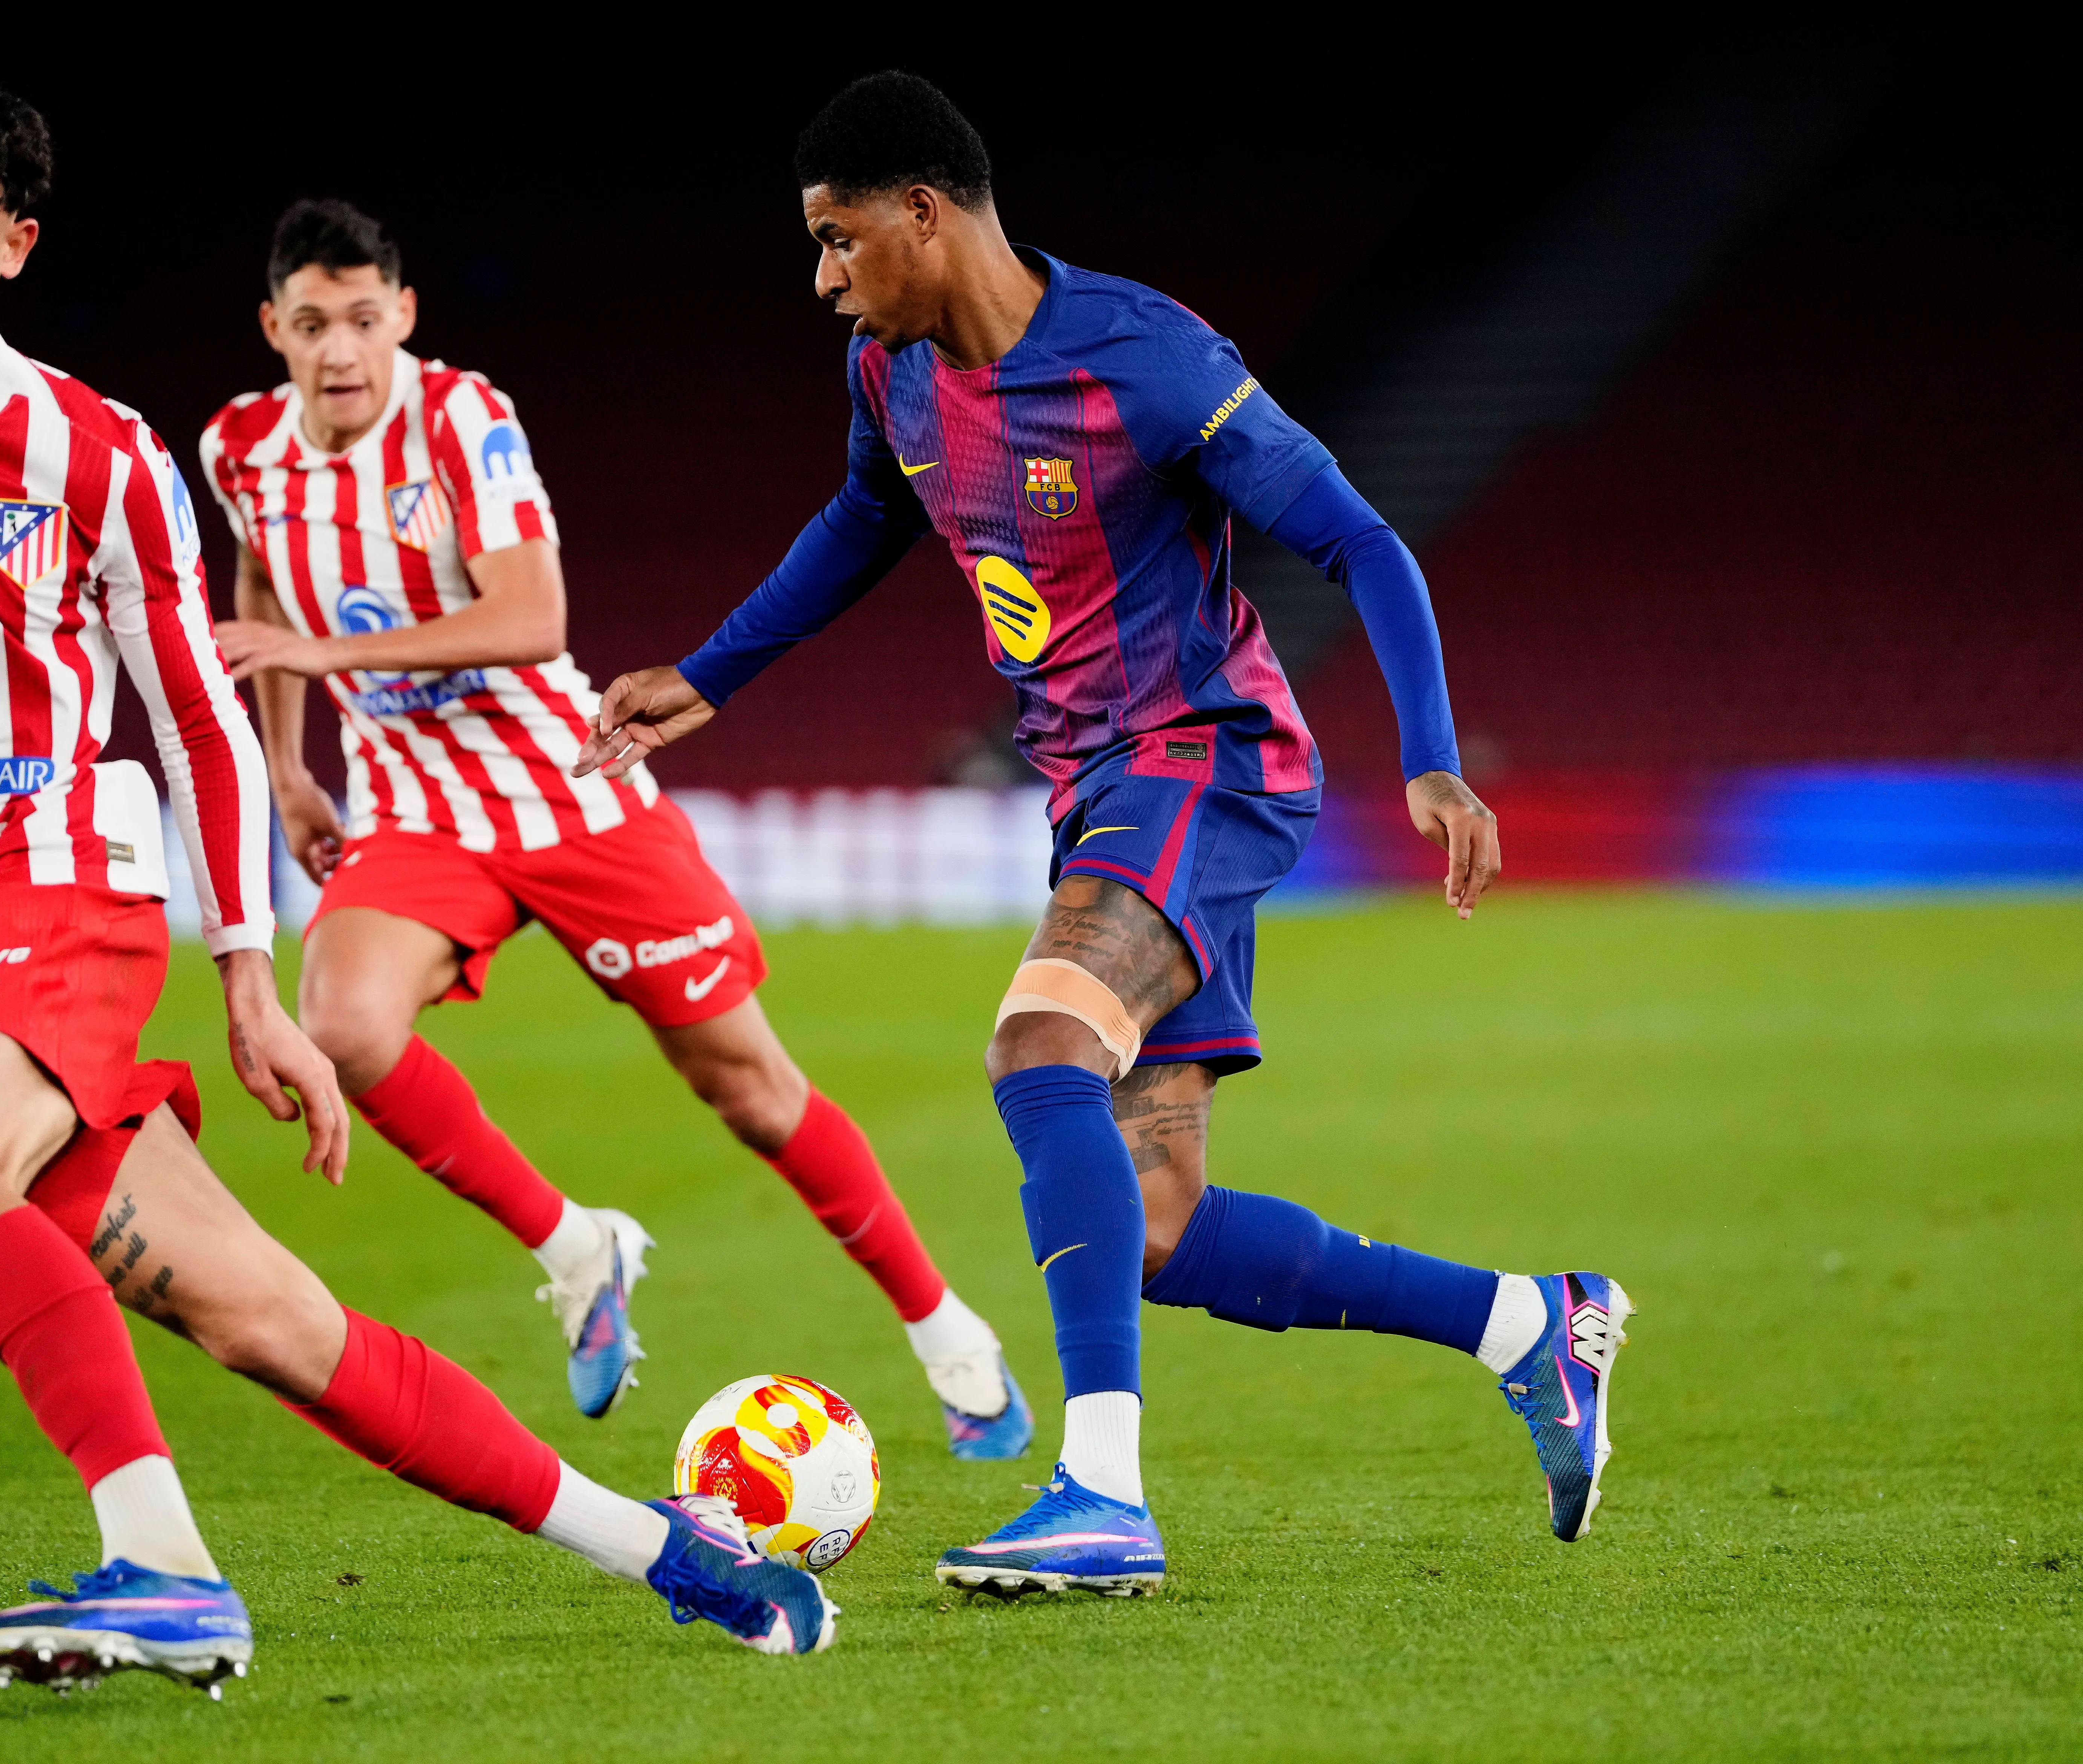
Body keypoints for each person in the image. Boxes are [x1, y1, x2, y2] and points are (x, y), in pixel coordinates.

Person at [0, 60, 834, 1686]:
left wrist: (243, 973)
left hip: (57, 882)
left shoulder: (96, 453)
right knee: (275, 1322)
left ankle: (163, 1566)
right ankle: (669, 1548)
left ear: (13, 243)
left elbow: (205, 725)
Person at [577, 71, 1635, 1598]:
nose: (821, 278)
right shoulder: (893, 375)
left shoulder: (1143, 357)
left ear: (923, 215)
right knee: (1151, 1222)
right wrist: (709, 674)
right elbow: (865, 520)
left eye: (836, 238)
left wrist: (1435, 762)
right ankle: (1534, 1324)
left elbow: (1358, 535)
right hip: (1095, 784)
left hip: (1203, 757)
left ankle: (1098, 1489)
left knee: (1038, 1044)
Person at [203, 198, 1031, 1456]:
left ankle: (945, 1330)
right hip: (416, 810)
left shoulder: (460, 420)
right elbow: (262, 582)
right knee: (344, 1027)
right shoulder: (241, 450)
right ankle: (574, 1245)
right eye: (312, 325)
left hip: (569, 787)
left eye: (365, 321)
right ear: (275, 327)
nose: (340, 353)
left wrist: (315, 652)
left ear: (403, 317)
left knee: (749, 1091)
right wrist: (285, 768)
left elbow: (531, 617)